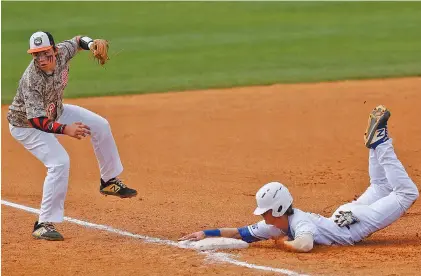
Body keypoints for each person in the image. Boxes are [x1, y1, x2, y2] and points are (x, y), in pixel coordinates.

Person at [179, 105, 419, 252]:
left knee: (406, 193)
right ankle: (375, 146)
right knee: (380, 185)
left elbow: (304, 244)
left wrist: (283, 243)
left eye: (266, 212)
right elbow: (241, 232)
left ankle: (381, 144)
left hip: (356, 223)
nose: (263, 216)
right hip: (345, 216)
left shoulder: (300, 223)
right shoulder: (276, 224)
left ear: (280, 209)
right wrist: (207, 233)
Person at [7, 31, 138, 241]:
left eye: (45, 52)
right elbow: (37, 121)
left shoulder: (62, 52)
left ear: (54, 50)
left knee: (101, 125)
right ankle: (42, 224)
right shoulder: (31, 79)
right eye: (36, 54)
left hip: (55, 111)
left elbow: (78, 41)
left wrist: (92, 43)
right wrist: (65, 129)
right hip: (26, 126)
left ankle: (109, 181)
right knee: (59, 163)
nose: (41, 58)